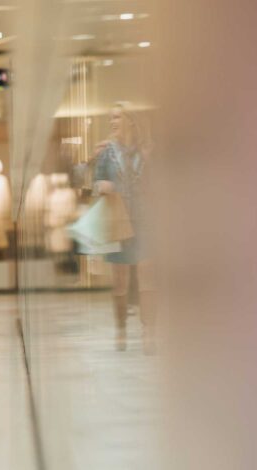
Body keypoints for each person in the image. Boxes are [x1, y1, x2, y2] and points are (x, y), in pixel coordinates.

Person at [94, 104, 156, 354]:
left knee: (148, 277)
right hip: (119, 222)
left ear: (131, 120)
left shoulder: (147, 151)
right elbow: (95, 180)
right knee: (120, 280)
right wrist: (102, 185)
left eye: (117, 117)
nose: (113, 121)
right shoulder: (106, 152)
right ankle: (120, 328)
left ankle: (149, 331)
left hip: (146, 221)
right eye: (111, 117)